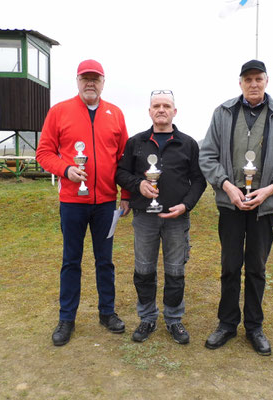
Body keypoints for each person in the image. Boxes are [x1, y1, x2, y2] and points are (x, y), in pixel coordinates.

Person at [199, 60, 273, 355]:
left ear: (267, 80)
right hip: (230, 204)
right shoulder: (223, 113)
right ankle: (226, 323)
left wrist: (271, 189)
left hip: (264, 206)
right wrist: (227, 186)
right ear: (240, 83)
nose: (254, 84)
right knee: (230, 266)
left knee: (257, 268)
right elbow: (207, 156)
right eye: (248, 79)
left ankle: (254, 327)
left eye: (258, 78)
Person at [36, 59, 130, 346]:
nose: (90, 83)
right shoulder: (59, 111)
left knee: (105, 261)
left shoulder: (115, 113)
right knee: (71, 261)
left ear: (103, 82)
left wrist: (125, 195)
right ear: (77, 80)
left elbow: (124, 159)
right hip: (72, 202)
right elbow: (43, 153)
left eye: (96, 78)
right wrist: (66, 169)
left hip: (104, 203)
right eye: (85, 78)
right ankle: (67, 319)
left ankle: (107, 312)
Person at [116, 90, 206, 344]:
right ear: (149, 111)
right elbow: (121, 173)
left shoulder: (188, 143)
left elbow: (199, 181)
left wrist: (186, 206)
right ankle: (147, 318)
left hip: (176, 218)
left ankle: (174, 320)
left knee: (175, 271)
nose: (161, 109)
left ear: (174, 111)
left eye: (166, 105)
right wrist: (138, 185)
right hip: (145, 216)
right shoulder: (136, 142)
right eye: (156, 105)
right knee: (144, 270)